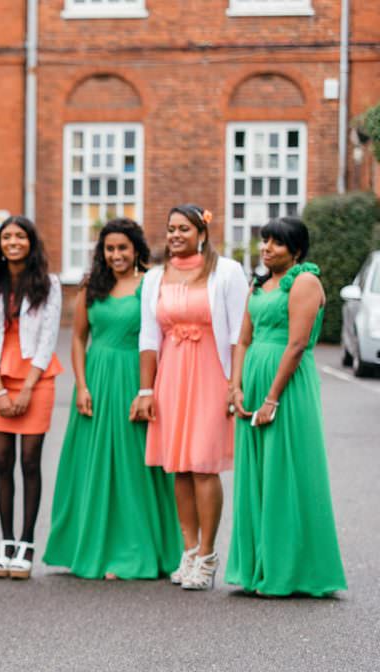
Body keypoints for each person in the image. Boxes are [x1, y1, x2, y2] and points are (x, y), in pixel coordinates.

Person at [43, 219, 182, 580]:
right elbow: (78, 339)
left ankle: (134, 551)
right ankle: (91, 548)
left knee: (134, 467)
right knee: (92, 465)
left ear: (136, 249)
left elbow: (159, 337)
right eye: (109, 248)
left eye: (122, 248)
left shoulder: (151, 284)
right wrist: (82, 386)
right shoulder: (92, 285)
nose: (116, 255)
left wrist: (148, 389)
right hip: (97, 379)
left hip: (135, 378)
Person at [131, 204, 249, 591]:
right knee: (178, 465)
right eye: (171, 229)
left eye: (184, 228)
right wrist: (146, 389)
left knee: (203, 464)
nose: (176, 235)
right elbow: (149, 336)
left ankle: (209, 554)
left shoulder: (226, 271)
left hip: (211, 374)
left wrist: (235, 384)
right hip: (172, 375)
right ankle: (189, 549)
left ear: (201, 233)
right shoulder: (155, 277)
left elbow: (239, 333)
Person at [227, 217, 346, 597]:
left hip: (287, 387)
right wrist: (235, 387)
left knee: (288, 471)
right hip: (253, 382)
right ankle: (258, 567)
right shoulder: (258, 285)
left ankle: (291, 571)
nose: (266, 248)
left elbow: (296, 345)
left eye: (276, 243)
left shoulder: (305, 282)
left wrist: (271, 398)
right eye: (264, 241)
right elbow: (243, 340)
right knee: (257, 474)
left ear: (296, 250)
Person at [0, 216, 62, 580]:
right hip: (0, 375)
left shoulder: (49, 284)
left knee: (29, 461)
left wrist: (28, 387)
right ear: (0, 244)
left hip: (36, 377)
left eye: (20, 236)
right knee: (2, 461)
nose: (13, 242)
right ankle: (6, 543)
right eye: (7, 236)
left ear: (31, 242)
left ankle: (27, 544)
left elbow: (48, 338)